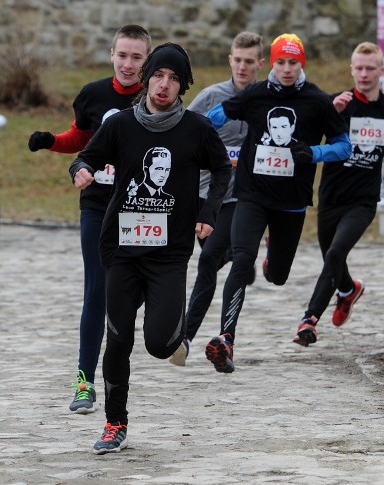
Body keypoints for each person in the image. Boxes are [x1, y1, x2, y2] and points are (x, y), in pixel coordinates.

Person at [69, 42, 232, 454]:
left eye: (174, 78)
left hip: (168, 253)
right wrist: (83, 170)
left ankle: (174, 336)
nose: (164, 85)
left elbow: (221, 169)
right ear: (146, 79)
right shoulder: (122, 125)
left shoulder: (196, 128)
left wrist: (209, 211)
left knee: (159, 345)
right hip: (122, 249)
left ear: (183, 85)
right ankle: (114, 424)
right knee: (118, 338)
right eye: (158, 75)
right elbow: (84, 156)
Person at [203, 33, 351, 372]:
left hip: (292, 203)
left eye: (293, 63)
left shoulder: (316, 100)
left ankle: (272, 258)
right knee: (242, 260)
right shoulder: (256, 95)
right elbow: (216, 116)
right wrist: (199, 137)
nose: (286, 70)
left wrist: (314, 152)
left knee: (279, 276)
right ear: (271, 63)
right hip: (252, 194)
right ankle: (226, 339)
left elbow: (344, 146)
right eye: (280, 62)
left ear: (302, 64)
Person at [27, 25, 152, 414]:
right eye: (122, 55)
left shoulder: (157, 98)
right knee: (96, 292)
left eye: (137, 57)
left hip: (142, 209)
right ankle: (84, 381)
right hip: (98, 205)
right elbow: (80, 140)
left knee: (139, 289)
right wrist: (51, 141)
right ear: (111, 53)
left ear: (147, 61)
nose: (128, 64)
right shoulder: (94, 95)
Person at [293, 41, 384, 347]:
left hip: (363, 200)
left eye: (370, 68)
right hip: (331, 196)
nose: (363, 74)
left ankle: (309, 320)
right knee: (333, 260)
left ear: (381, 71)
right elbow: (306, 140)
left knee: (335, 254)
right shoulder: (337, 102)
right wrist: (329, 114)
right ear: (351, 69)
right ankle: (349, 290)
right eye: (358, 68)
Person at [169, 31, 265, 367]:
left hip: (242, 197)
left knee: (209, 258)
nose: (242, 67)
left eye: (249, 62)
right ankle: (244, 260)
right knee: (215, 257)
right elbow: (182, 131)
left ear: (259, 64)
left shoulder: (264, 100)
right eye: (237, 60)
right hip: (203, 195)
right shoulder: (211, 98)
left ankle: (190, 339)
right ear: (230, 60)